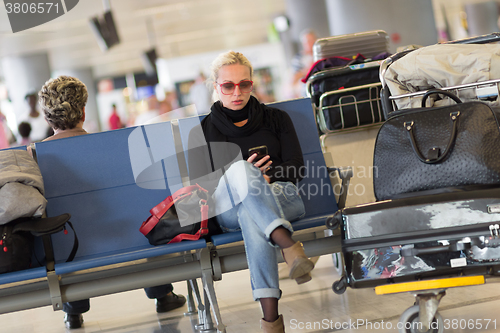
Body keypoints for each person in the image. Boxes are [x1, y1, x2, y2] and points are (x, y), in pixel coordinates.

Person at [37, 75, 186, 330]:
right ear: (83, 110)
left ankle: (73, 311)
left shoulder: (36, 157)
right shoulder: (118, 145)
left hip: (71, 250)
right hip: (134, 240)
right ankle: (163, 294)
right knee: (140, 218)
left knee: (67, 236)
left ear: (47, 117)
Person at [187, 51, 314, 333]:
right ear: (215, 86)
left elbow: (296, 168)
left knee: (251, 212)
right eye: (228, 86)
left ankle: (272, 320)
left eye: (244, 84)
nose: (237, 92)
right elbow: (201, 186)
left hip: (282, 196)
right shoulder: (202, 132)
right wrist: (243, 177)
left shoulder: (277, 119)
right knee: (241, 171)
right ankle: (287, 245)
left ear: (252, 84)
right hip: (227, 209)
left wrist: (265, 177)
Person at [290, 29, 317, 98]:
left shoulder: (321, 53)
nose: (310, 43)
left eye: (312, 40)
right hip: (306, 85)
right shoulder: (298, 58)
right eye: (307, 41)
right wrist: (309, 68)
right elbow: (294, 78)